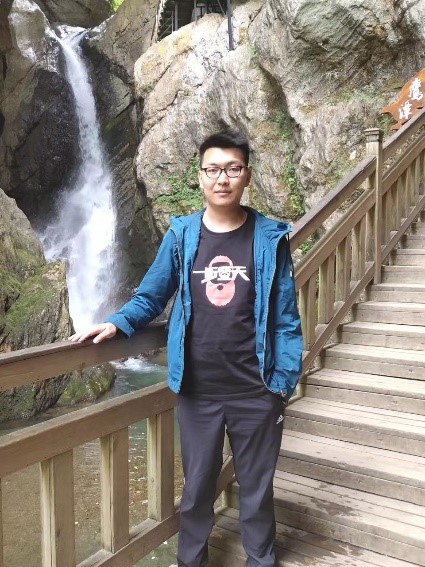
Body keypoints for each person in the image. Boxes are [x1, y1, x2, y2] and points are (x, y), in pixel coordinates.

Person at [71, 130, 303, 567]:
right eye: (213, 169)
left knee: (256, 490)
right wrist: (117, 323)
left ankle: (261, 560)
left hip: (257, 389)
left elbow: (286, 317)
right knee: (196, 490)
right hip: (198, 391)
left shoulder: (269, 238)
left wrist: (282, 383)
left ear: (247, 175)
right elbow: (151, 295)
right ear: (199, 176)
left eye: (232, 169)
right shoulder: (182, 236)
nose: (222, 178)